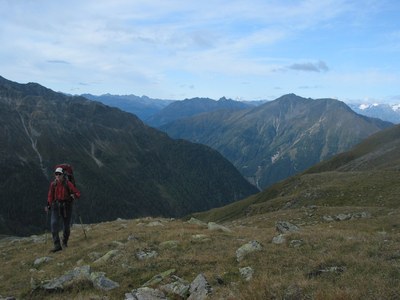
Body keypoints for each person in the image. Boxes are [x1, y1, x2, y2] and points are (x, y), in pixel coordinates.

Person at [46, 167, 81, 252]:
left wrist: (75, 196)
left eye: (59, 174)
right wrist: (48, 204)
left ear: (63, 175)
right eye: (56, 174)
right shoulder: (53, 184)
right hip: (56, 206)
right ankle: (57, 245)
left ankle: (64, 242)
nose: (57, 176)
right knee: (54, 224)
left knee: (66, 226)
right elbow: (50, 195)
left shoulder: (68, 183)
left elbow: (77, 193)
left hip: (66, 206)